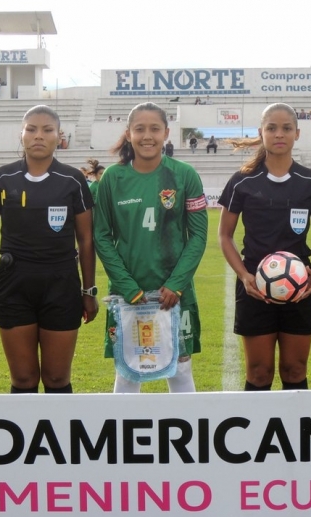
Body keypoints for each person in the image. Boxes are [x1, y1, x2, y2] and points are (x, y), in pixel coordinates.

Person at [0, 105, 97, 394]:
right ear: (22, 134)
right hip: (13, 282)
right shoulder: (2, 178)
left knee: (57, 379)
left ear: (59, 136)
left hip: (61, 282)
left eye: (47, 130)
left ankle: (60, 439)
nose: (38, 135)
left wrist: (88, 292)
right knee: (24, 379)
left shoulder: (73, 181)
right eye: (31, 129)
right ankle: (25, 439)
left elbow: (86, 240)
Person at [94, 102, 208, 393]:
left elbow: (197, 236)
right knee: (128, 370)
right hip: (128, 294)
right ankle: (123, 437)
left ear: (166, 133)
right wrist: (127, 287)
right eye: (140, 129)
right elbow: (102, 236)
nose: (148, 136)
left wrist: (177, 284)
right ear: (129, 133)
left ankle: (188, 436)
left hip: (175, 293)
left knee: (181, 368)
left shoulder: (185, 175)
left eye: (155, 129)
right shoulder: (112, 179)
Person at [218, 103, 311, 391]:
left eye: (286, 128)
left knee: (295, 370)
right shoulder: (242, 181)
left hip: (301, 289)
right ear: (261, 132)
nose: (279, 134)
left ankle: (295, 435)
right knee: (258, 372)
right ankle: (254, 436)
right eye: (271, 128)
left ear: (297, 133)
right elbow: (224, 235)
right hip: (254, 290)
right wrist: (245, 276)